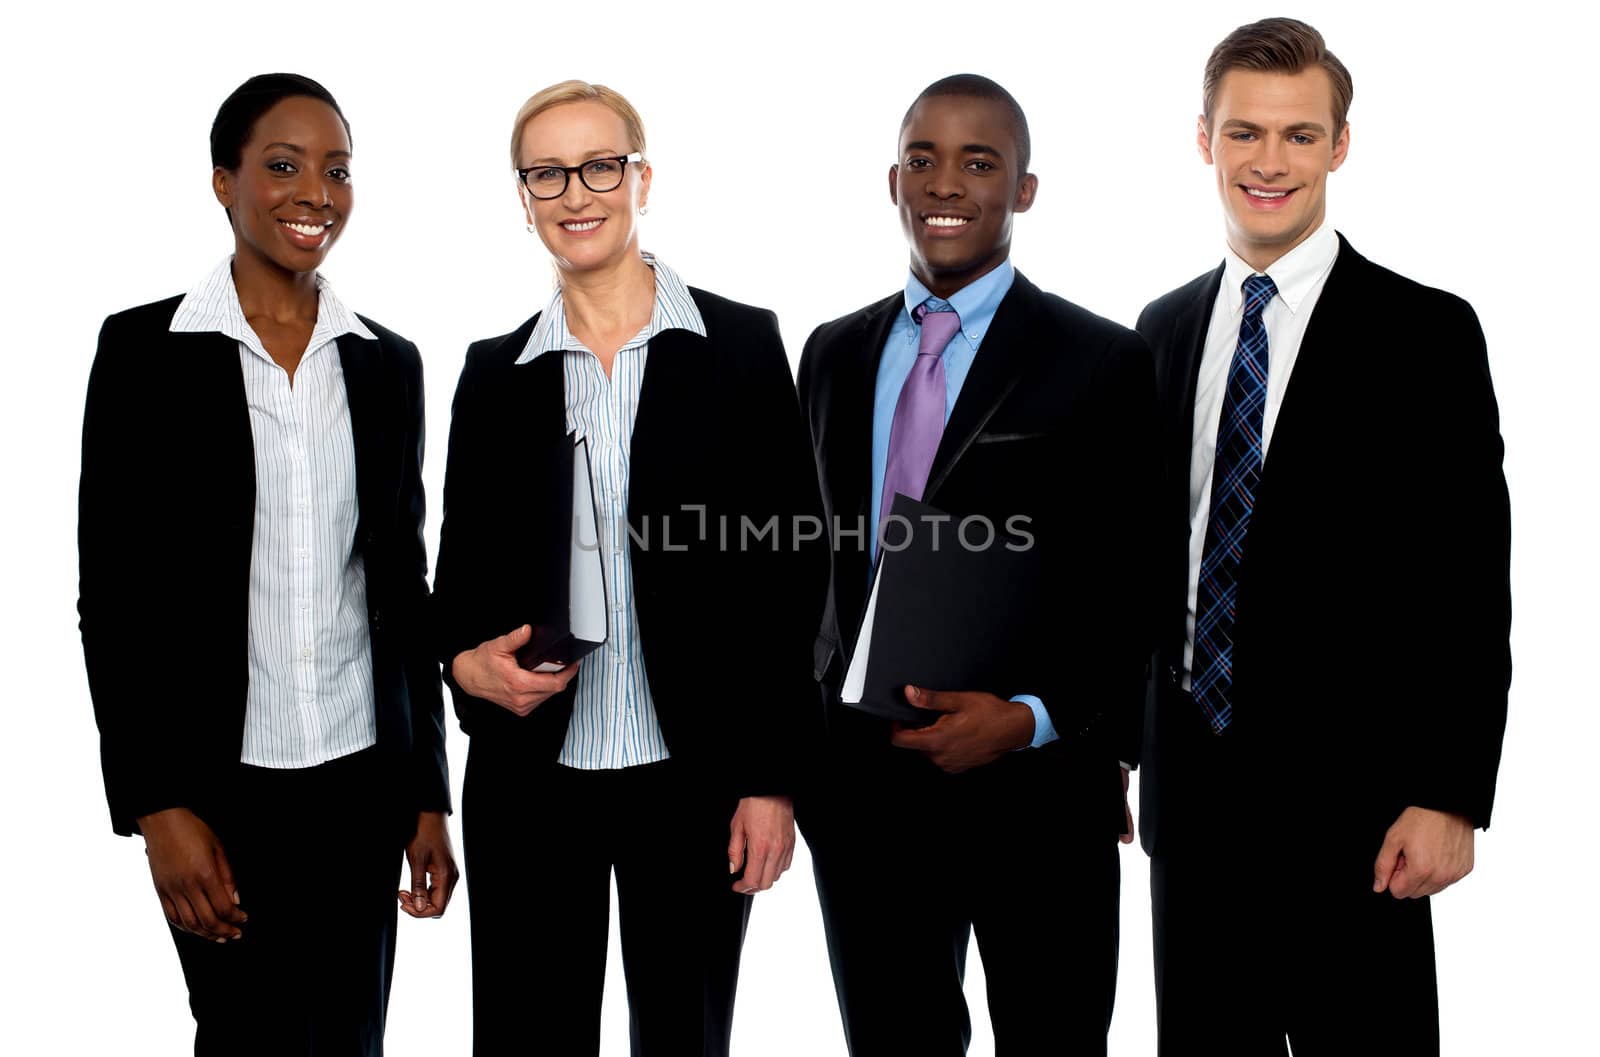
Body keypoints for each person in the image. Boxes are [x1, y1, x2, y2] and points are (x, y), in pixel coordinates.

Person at [1133, 18, 1511, 1055]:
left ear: (1339, 146)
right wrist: (1116, 755)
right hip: (1192, 810)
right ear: (1202, 141)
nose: (1270, 163)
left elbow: (1468, 582)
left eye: (1299, 136)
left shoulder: (1424, 334)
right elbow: (1138, 567)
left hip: (1357, 816)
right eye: (1245, 133)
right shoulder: (1158, 331)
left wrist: (1448, 792)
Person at [431, 80, 823, 1057]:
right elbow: (459, 582)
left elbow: (792, 578)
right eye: (547, 174)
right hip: (531, 783)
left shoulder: (739, 344)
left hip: (692, 780)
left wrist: (771, 780)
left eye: (599, 165)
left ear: (642, 179)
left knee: (683, 1037)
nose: (577, 193)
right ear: (521, 199)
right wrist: (462, 666)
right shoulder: (493, 373)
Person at [78, 73, 456, 1056]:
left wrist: (426, 791)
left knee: (349, 1042)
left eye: (336, 170)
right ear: (223, 182)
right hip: (218, 788)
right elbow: (111, 598)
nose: (314, 194)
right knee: (243, 1036)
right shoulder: (144, 354)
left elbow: (399, 589)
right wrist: (157, 802)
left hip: (358, 785)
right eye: (283, 166)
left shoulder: (386, 363)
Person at [795, 74, 1156, 1056]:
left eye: (978, 161)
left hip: (1035, 789)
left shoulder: (1102, 361)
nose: (944, 183)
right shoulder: (831, 354)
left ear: (1023, 190)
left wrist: (1036, 718)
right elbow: (813, 571)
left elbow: (1133, 585)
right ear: (892, 181)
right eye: (923, 159)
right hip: (865, 793)